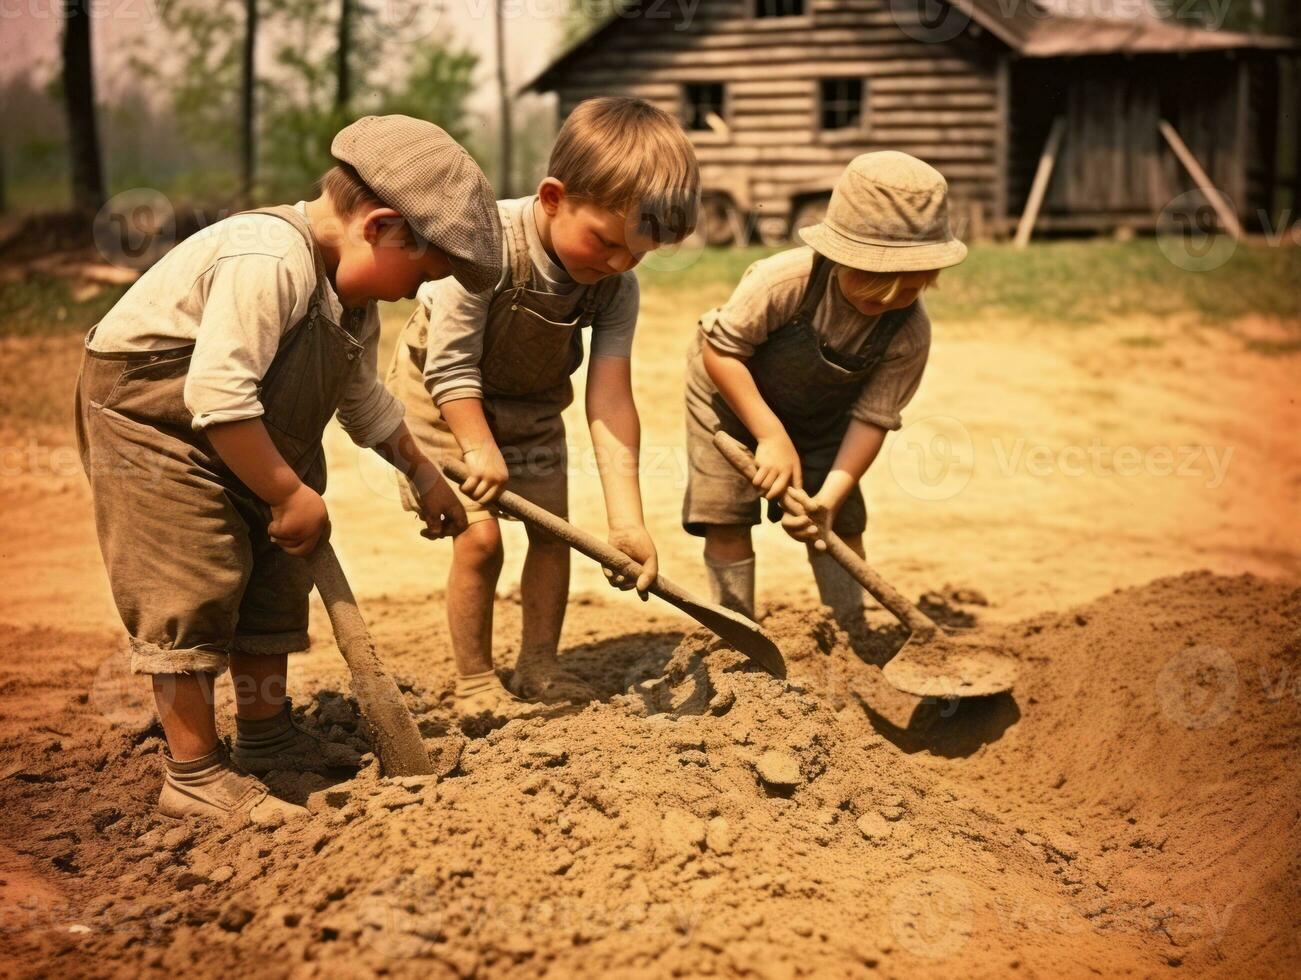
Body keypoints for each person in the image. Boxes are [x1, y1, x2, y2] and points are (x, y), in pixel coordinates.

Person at [76, 115, 499, 820]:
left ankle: (265, 735)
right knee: (192, 581)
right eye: (423, 272)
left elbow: (359, 395)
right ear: (383, 226)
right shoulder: (267, 259)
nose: (417, 292)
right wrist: (284, 491)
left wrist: (423, 474)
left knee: (277, 581)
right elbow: (215, 392)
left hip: (255, 427)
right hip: (157, 429)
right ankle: (194, 773)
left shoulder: (348, 296)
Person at [388, 96, 699, 718]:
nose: (617, 264)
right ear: (554, 197)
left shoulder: (616, 287)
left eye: (636, 255)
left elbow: (610, 397)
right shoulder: (483, 246)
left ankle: (539, 668)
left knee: (553, 538)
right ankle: (476, 681)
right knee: (479, 540)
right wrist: (478, 448)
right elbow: (450, 368)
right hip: (442, 397)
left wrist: (628, 522)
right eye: (606, 242)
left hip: (530, 404)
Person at [682, 151, 967, 631]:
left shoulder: (909, 333)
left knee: (840, 524)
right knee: (726, 512)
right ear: (839, 254)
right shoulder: (782, 281)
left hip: (825, 420)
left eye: (911, 289)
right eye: (876, 282)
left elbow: (873, 418)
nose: (890, 301)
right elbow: (721, 352)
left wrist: (829, 499)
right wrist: (770, 435)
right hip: (730, 398)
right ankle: (736, 631)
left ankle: (850, 631)